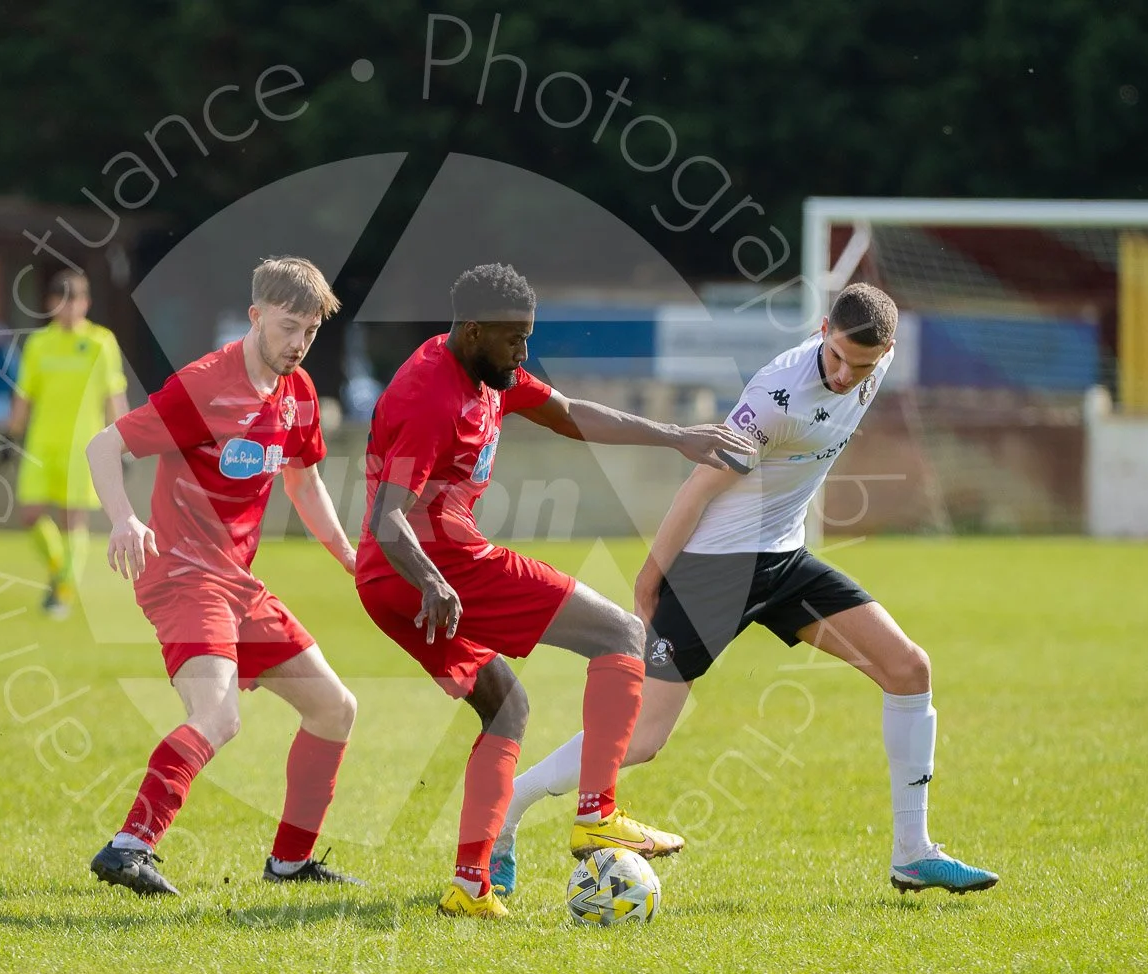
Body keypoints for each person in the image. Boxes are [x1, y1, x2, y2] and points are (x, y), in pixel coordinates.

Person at [494, 283, 999, 897]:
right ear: (821, 329)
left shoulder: (875, 356)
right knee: (643, 739)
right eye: (836, 356)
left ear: (885, 351)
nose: (844, 375)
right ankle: (507, 812)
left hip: (785, 561)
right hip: (714, 567)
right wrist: (650, 577)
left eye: (860, 365)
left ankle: (913, 853)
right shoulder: (774, 396)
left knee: (908, 668)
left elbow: (871, 342)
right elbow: (699, 487)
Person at [355, 263, 758, 919]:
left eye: (528, 339)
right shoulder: (430, 396)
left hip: (395, 579)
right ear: (474, 329)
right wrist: (432, 579)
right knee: (622, 633)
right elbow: (387, 516)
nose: (523, 353)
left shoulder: (488, 374)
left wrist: (674, 437)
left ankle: (469, 887)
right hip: (432, 564)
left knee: (506, 709)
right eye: (514, 340)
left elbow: (570, 414)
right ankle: (598, 814)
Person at [87, 256, 365, 896]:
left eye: (310, 332)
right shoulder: (204, 385)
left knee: (334, 709)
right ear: (256, 315)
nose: (298, 343)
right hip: (182, 575)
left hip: (236, 585)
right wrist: (125, 520)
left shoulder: (297, 394)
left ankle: (290, 863)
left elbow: (304, 480)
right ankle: (130, 846)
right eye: (289, 326)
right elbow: (105, 447)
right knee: (219, 715)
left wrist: (347, 555)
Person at [8, 270, 128, 619]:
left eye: (73, 300)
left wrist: (123, 441)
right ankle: (61, 570)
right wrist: (11, 434)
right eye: (60, 301)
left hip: (83, 446)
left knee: (72, 520)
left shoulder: (100, 342)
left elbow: (113, 394)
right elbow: (24, 394)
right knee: (30, 515)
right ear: (50, 304)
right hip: (41, 444)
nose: (67, 308)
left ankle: (62, 591)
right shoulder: (38, 344)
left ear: (85, 303)